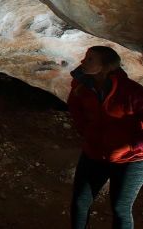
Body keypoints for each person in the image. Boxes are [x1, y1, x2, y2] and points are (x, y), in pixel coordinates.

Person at [68, 45, 143, 229]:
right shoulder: (82, 86)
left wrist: (130, 147)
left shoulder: (132, 92)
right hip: (94, 154)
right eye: (86, 57)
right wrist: (85, 131)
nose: (83, 62)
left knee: (120, 209)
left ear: (107, 66)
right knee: (79, 203)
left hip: (130, 160)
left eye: (90, 59)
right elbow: (75, 107)